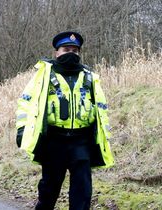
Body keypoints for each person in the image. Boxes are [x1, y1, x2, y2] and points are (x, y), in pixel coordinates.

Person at [15, 31, 114, 209]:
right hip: (54, 141)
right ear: (57, 52)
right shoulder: (43, 76)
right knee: (48, 191)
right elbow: (25, 103)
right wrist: (22, 129)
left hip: (81, 142)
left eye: (75, 51)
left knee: (82, 193)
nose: (71, 53)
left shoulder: (90, 77)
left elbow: (101, 110)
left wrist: (103, 138)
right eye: (66, 49)